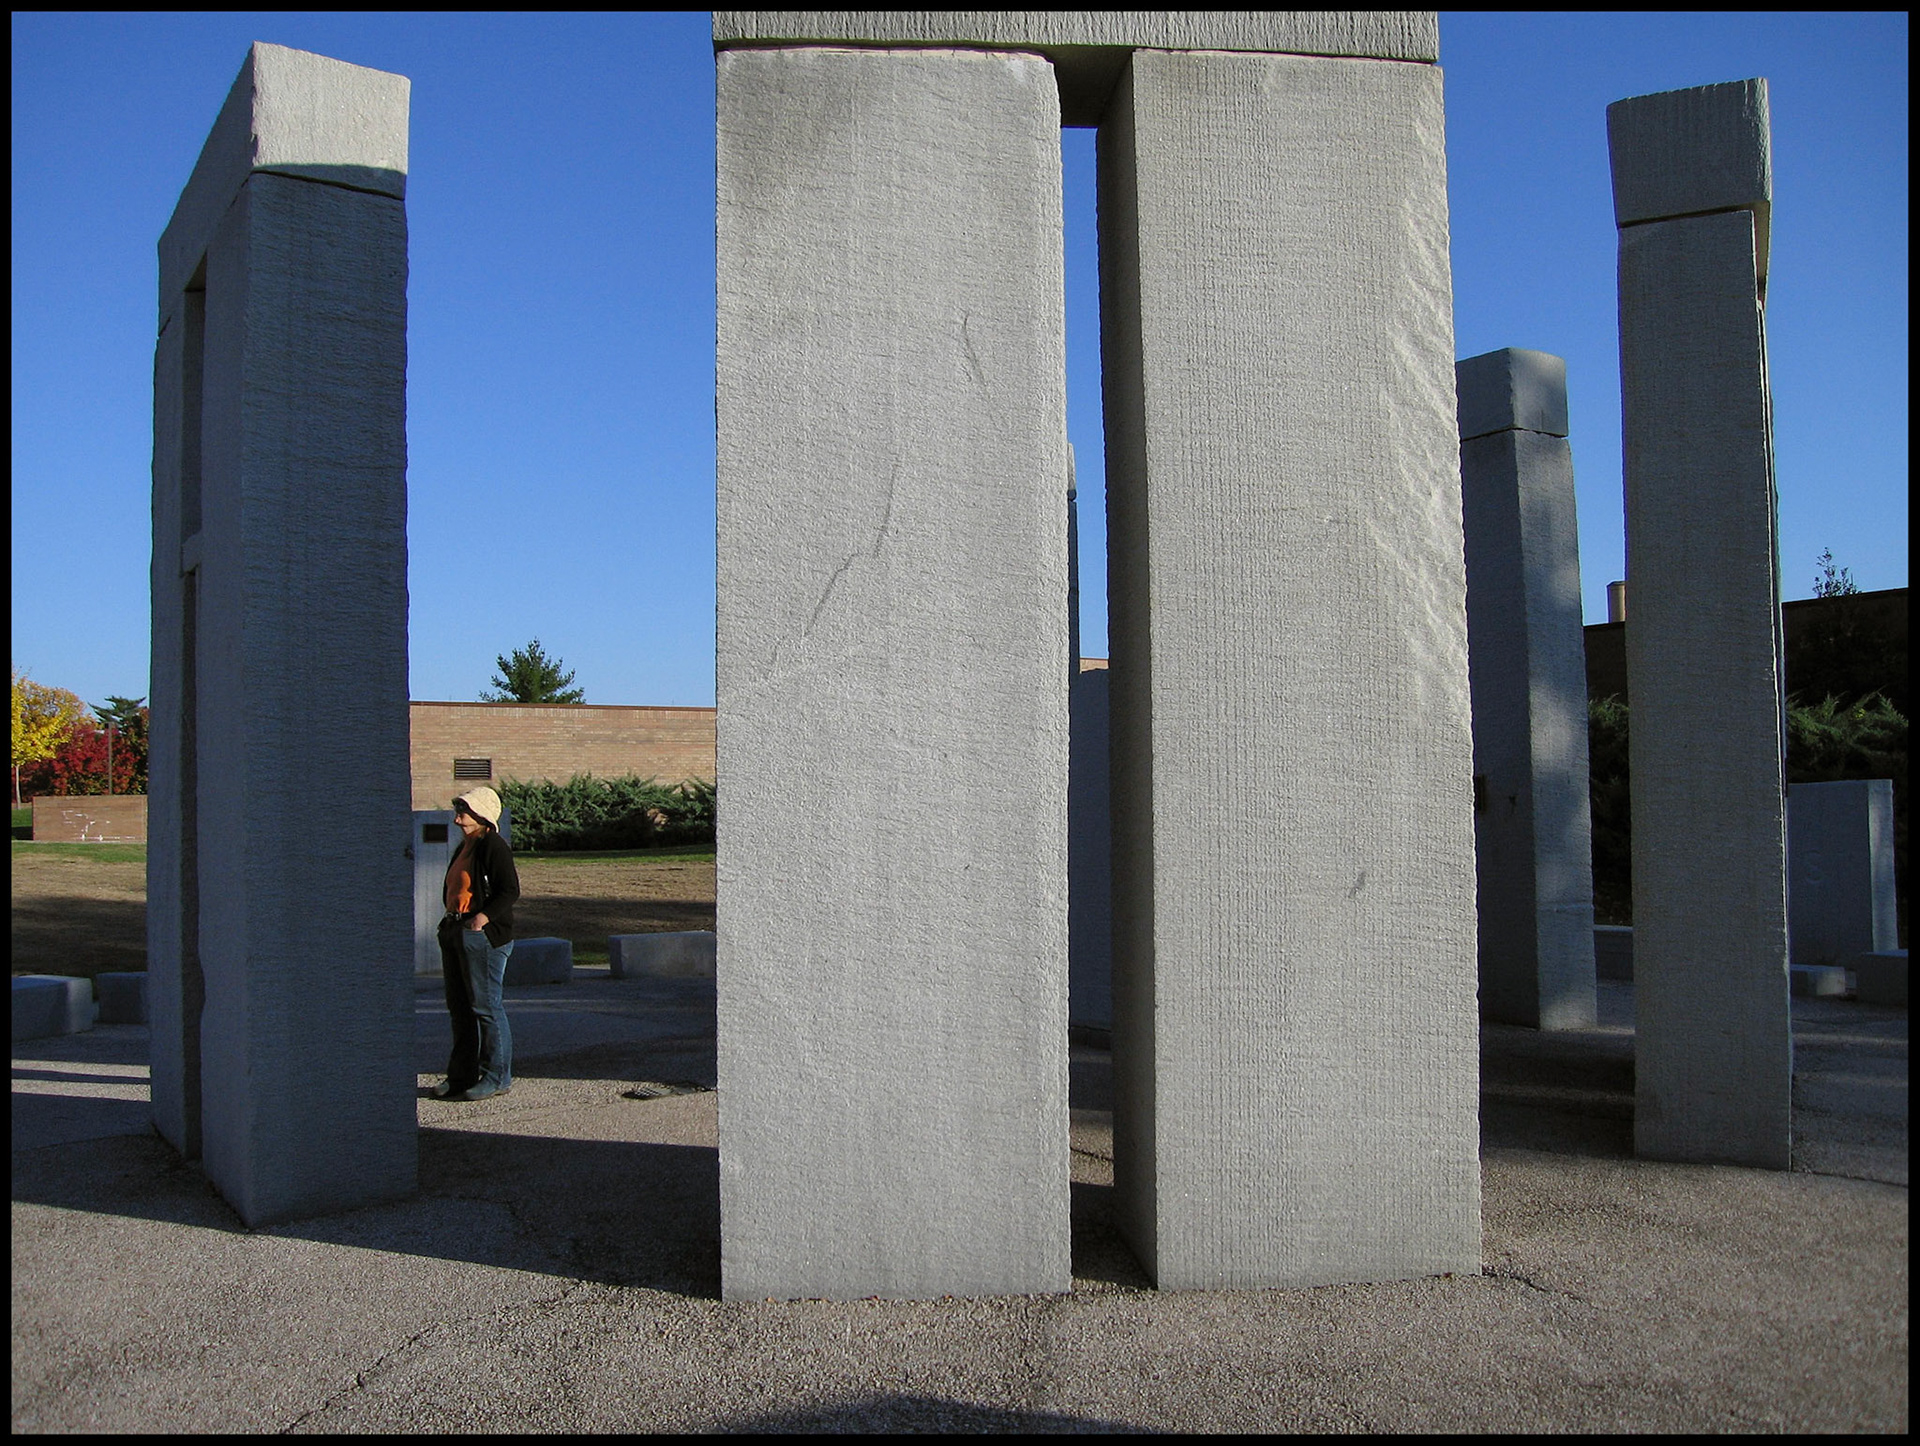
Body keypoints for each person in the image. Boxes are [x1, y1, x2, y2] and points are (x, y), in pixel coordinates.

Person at [433, 786, 521, 1101]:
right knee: (460, 1008)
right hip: (455, 929)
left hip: (481, 935)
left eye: (464, 812)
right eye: (458, 810)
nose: (458, 819)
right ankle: (460, 1077)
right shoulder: (465, 846)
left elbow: (509, 890)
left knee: (485, 1007)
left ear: (481, 815)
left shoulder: (492, 845)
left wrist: (481, 919)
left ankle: (497, 1077)